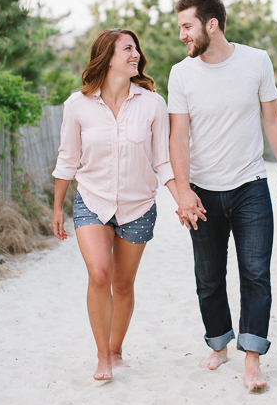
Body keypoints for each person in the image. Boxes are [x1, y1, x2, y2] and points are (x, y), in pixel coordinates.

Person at [168, 0, 277, 391]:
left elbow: (272, 120)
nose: (182, 37)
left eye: (187, 27)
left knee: (256, 274)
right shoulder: (181, 73)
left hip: (250, 188)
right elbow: (178, 136)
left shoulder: (256, 61)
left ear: (211, 24)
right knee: (208, 277)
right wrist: (184, 192)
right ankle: (219, 343)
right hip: (202, 193)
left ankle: (252, 357)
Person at [51, 28, 180, 381]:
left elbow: (163, 161)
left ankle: (116, 349)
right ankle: (101, 356)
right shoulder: (77, 104)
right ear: (108, 56)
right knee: (99, 274)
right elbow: (67, 159)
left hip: (138, 207)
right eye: (127, 48)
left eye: (137, 48)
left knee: (123, 284)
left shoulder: (153, 103)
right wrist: (57, 207)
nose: (135, 53)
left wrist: (182, 199)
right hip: (92, 201)